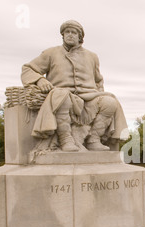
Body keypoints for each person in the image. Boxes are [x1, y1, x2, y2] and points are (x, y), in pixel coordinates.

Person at [21, 20, 129, 152]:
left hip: (89, 97)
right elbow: (28, 69)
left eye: (74, 32)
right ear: (63, 35)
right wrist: (39, 80)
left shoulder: (92, 56)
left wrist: (100, 93)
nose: (70, 35)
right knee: (62, 97)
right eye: (67, 32)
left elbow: (98, 81)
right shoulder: (50, 53)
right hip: (62, 95)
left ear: (80, 37)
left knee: (110, 102)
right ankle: (65, 139)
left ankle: (93, 139)